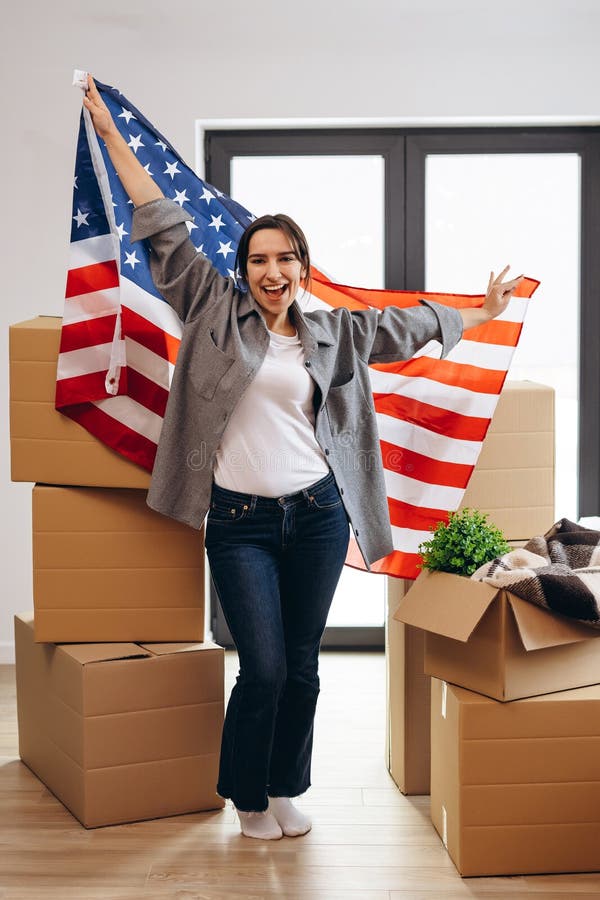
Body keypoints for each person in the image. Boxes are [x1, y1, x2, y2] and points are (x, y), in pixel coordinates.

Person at [83, 75, 523, 841]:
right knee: (265, 669)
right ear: (243, 268)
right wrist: (110, 131)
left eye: (286, 259)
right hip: (240, 522)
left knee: (306, 667)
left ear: (303, 268)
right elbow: (161, 225)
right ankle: (246, 798)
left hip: (317, 517)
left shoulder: (335, 334)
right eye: (259, 259)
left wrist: (480, 312)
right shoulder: (211, 309)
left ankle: (285, 789)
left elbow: (407, 327)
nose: (272, 271)